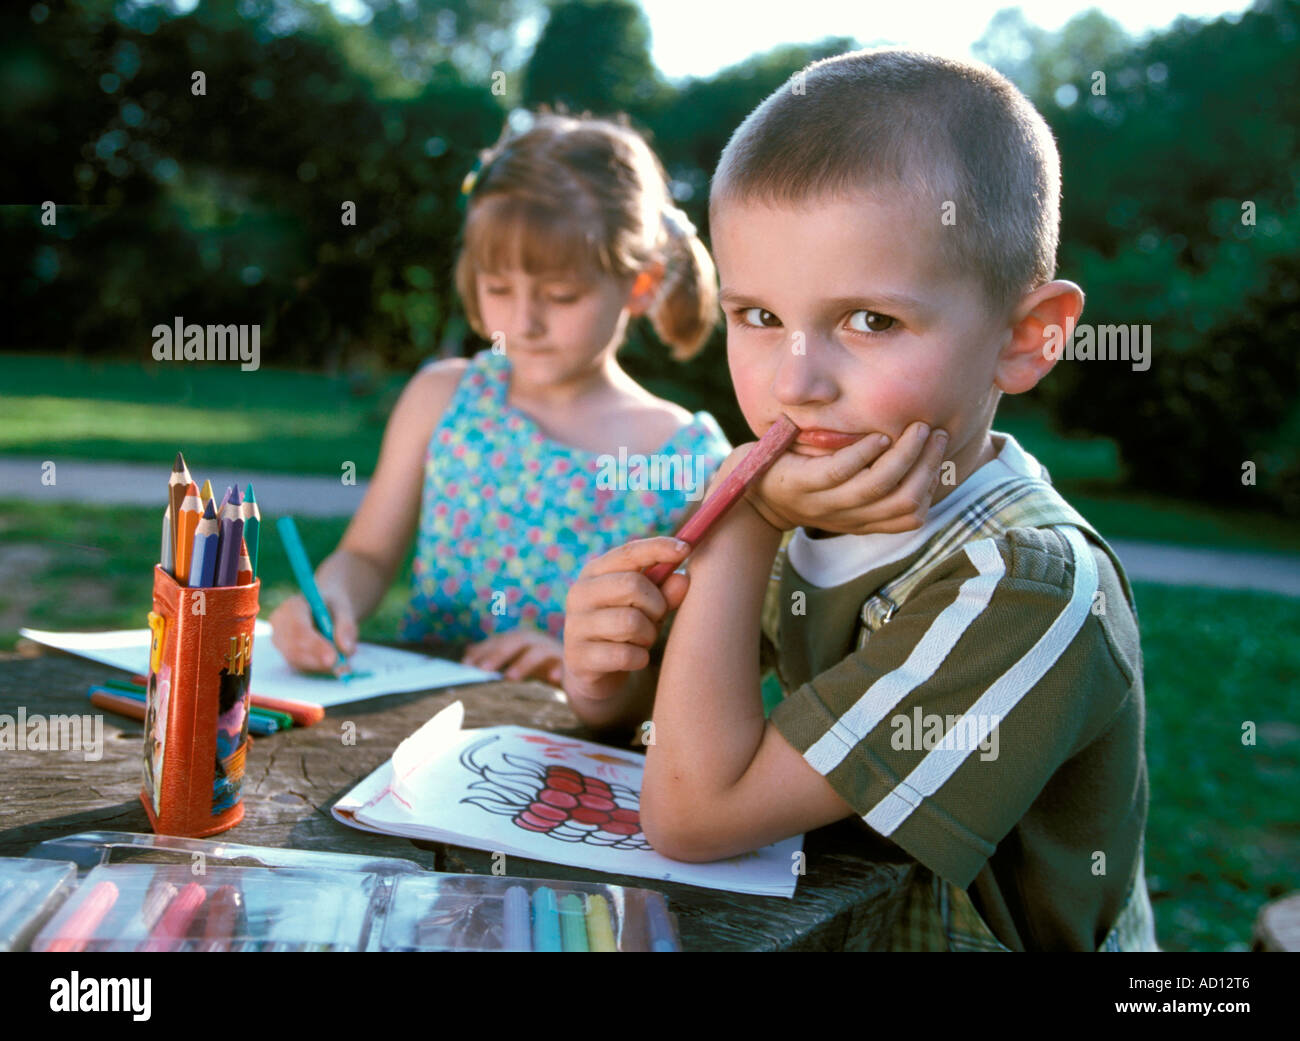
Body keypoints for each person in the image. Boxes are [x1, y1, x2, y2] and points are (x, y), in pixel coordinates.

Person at [563, 48, 1157, 952]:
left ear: (1027, 338)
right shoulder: (818, 492)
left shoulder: (1027, 587)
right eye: (758, 315)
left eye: (870, 320)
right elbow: (665, 719)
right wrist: (608, 668)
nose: (796, 382)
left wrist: (747, 525)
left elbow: (693, 809)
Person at [271, 108, 731, 684]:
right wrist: (329, 599)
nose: (524, 321)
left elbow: (678, 666)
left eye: (561, 295)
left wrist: (579, 668)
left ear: (638, 286)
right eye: (498, 289)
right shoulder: (444, 398)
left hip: (566, 750)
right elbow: (367, 556)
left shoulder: (683, 456)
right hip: (414, 720)